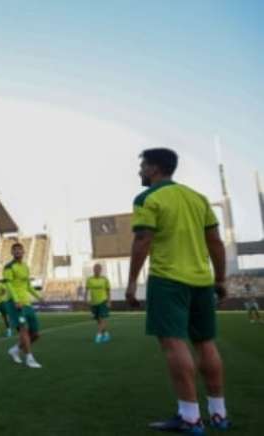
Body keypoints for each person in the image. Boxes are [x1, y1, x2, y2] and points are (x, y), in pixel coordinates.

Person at [125, 148, 231, 432]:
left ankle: (190, 417)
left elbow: (142, 240)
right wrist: (220, 280)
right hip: (201, 280)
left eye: (143, 166)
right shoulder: (198, 199)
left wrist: (132, 282)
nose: (139, 171)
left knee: (174, 344)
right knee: (205, 343)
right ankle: (219, 414)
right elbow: (216, 243)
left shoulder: (148, 198)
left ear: (154, 168)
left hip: (168, 280)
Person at [4, 243, 43, 368]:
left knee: (36, 334)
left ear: (23, 252)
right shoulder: (9, 267)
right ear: (12, 253)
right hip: (14, 303)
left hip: (26, 303)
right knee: (24, 329)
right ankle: (29, 358)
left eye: (19, 250)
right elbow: (9, 285)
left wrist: (38, 296)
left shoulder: (25, 267)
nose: (17, 252)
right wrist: (16, 300)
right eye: (15, 250)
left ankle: (15, 350)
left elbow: (28, 286)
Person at [85, 264, 111, 343]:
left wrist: (109, 301)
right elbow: (86, 290)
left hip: (103, 301)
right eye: (95, 269)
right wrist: (85, 299)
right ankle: (106, 334)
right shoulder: (89, 279)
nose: (96, 270)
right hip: (94, 302)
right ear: (93, 270)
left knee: (101, 318)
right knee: (98, 321)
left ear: (100, 270)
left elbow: (108, 291)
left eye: (98, 269)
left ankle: (98, 336)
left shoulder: (105, 279)